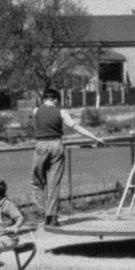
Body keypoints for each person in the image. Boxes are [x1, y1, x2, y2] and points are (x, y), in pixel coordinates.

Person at [30, 85, 102, 227]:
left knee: (36, 182)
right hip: (56, 145)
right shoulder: (61, 112)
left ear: (44, 99)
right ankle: (52, 217)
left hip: (41, 145)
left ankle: (42, 212)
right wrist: (94, 137)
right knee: (54, 183)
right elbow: (75, 127)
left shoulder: (36, 110)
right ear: (56, 99)